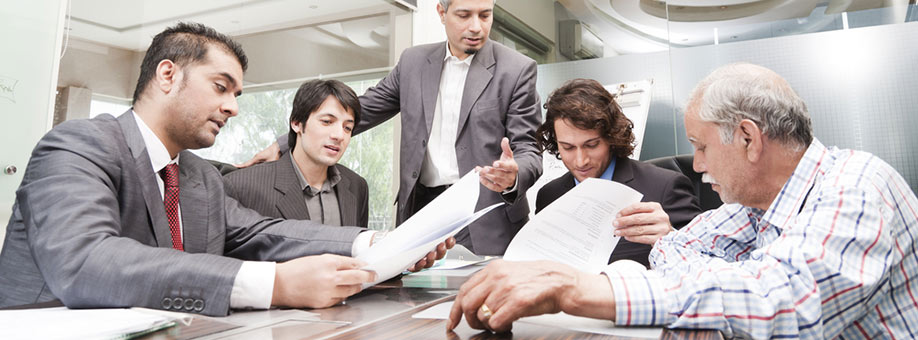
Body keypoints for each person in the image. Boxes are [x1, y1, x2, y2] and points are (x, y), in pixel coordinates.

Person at [0, 22, 449, 316]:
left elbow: (263, 233)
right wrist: (276, 284)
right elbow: (86, 261)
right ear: (168, 75)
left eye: (237, 94)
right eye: (221, 88)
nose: (233, 107)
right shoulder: (77, 145)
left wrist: (374, 242)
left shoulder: (198, 177)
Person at [447, 63, 918, 339]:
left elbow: (777, 303)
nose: (694, 165)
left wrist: (575, 287)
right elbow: (676, 250)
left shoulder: (856, 188)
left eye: (702, 146)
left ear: (749, 139)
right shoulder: (756, 203)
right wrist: (730, 274)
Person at [240, 0, 543, 255]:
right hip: (422, 209)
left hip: (486, 211)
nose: (476, 26)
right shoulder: (413, 62)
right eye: (464, 15)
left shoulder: (516, 69)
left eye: (485, 15)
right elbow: (360, 111)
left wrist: (514, 175)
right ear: (441, 12)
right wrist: (285, 143)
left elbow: (529, 150)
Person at [535, 79, 701, 266]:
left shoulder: (665, 186)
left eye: (591, 145)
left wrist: (671, 236)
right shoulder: (549, 196)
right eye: (568, 148)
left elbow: (705, 262)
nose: (581, 161)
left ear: (612, 137)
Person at [224, 80, 369, 227]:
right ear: (297, 123)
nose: (339, 135)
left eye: (347, 128)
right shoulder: (243, 185)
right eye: (327, 121)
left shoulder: (357, 186)